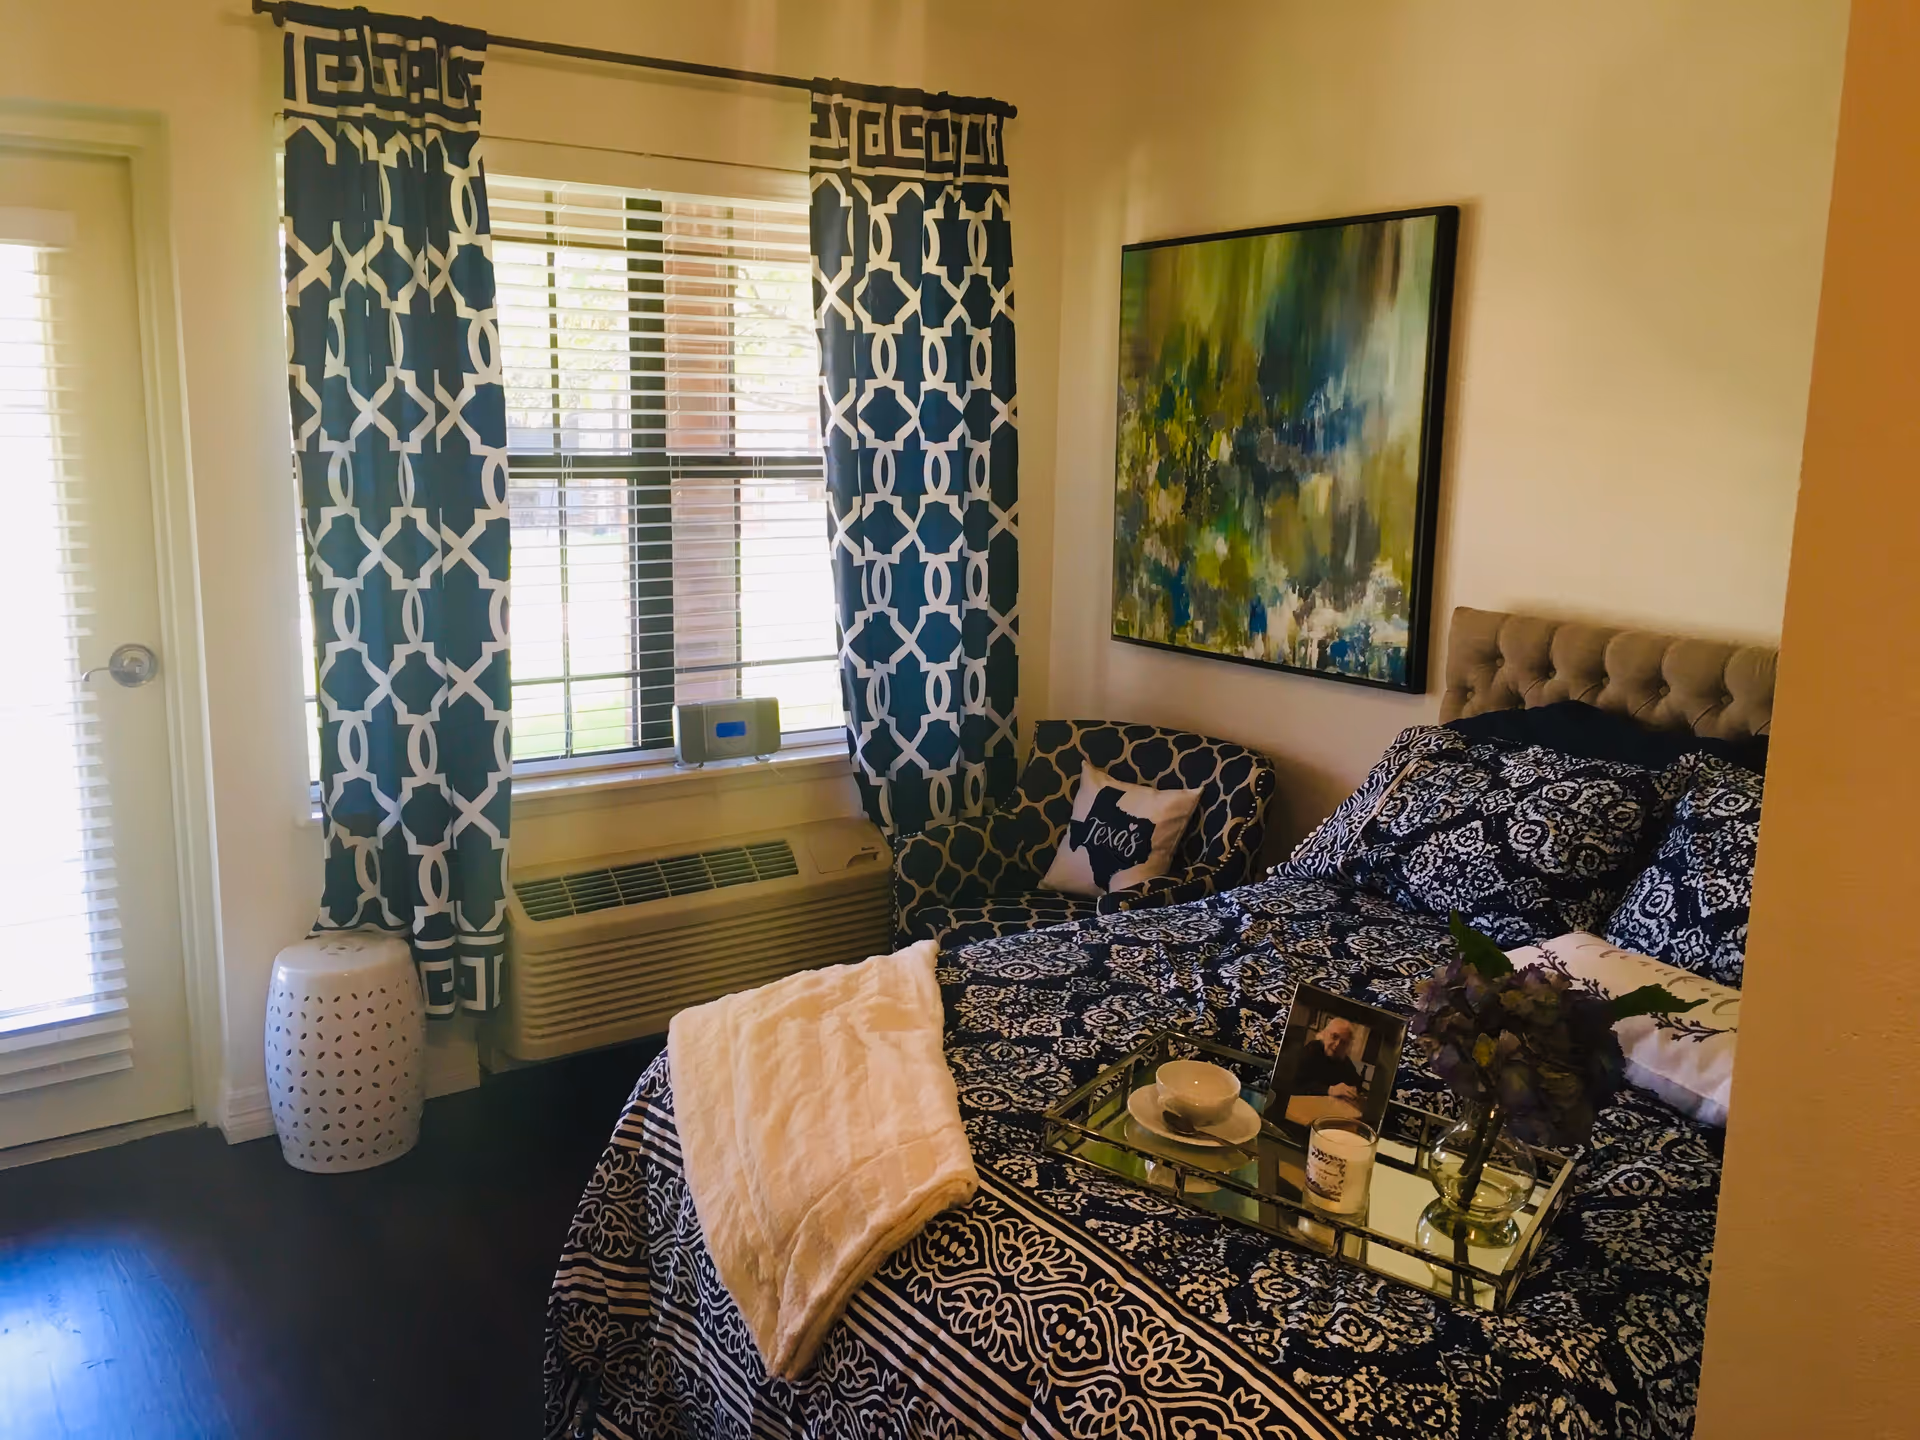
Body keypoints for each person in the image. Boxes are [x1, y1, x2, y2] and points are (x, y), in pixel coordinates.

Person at [1292, 1016, 1363, 1101]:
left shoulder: (1343, 1058)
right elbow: (1296, 1086)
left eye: (1343, 1042)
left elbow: (1357, 1082)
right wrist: (1330, 1090)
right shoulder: (1310, 1051)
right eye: (1334, 1036)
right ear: (1324, 1034)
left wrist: (1353, 1089)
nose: (1337, 1045)